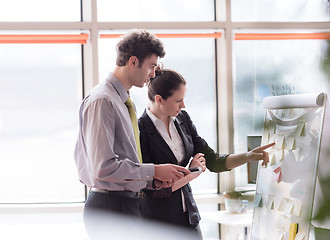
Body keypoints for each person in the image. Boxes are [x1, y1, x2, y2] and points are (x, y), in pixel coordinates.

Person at [73, 30, 190, 239]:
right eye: (151, 66)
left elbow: (121, 162)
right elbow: (103, 167)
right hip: (111, 207)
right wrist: (153, 170)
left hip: (125, 204)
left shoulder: (122, 101)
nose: (153, 74)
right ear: (133, 62)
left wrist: (151, 181)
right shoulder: (104, 101)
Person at [138, 67, 275, 238]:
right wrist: (192, 173)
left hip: (188, 218)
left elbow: (213, 160)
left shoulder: (183, 120)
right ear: (159, 99)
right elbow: (153, 190)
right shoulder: (140, 130)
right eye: (178, 100)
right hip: (157, 224)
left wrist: (247, 156)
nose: (183, 105)